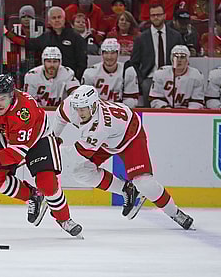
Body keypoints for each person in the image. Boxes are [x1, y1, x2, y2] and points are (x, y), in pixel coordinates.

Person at [52, 85, 195, 230]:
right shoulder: (70, 106)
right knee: (81, 173)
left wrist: (50, 153)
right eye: (77, 107)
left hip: (130, 137)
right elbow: (59, 117)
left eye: (83, 108)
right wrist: (53, 139)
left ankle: (175, 213)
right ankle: (126, 189)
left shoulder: (100, 126)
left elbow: (77, 155)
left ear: (94, 105)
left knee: (144, 184)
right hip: (107, 140)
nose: (79, 112)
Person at [0, 74, 84, 237]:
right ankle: (32, 196)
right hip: (10, 138)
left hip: (39, 139)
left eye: (3, 98)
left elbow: (16, 153)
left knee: (47, 184)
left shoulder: (24, 111)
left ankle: (64, 219)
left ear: (12, 96)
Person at [6, 6, 87, 81]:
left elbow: (82, 62)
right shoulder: (45, 37)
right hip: (49, 82)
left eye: (59, 17)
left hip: (69, 80)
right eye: (53, 18)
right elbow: (28, 43)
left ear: (64, 19)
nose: (57, 20)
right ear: (49, 21)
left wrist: (75, 80)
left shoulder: (76, 38)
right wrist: (7, 33)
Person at [130, 4, 184, 107]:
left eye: (159, 15)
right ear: (150, 17)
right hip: (150, 76)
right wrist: (141, 80)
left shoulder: (176, 36)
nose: (156, 17)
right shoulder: (141, 38)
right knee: (147, 86)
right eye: (153, 15)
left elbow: (182, 57)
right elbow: (134, 62)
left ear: (165, 15)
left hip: (172, 75)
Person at [82, 38, 139, 107]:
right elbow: (85, 99)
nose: (109, 57)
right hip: (98, 110)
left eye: (112, 53)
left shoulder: (128, 71)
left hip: (120, 111)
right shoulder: (90, 72)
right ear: (102, 54)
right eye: (106, 53)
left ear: (118, 54)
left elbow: (131, 99)